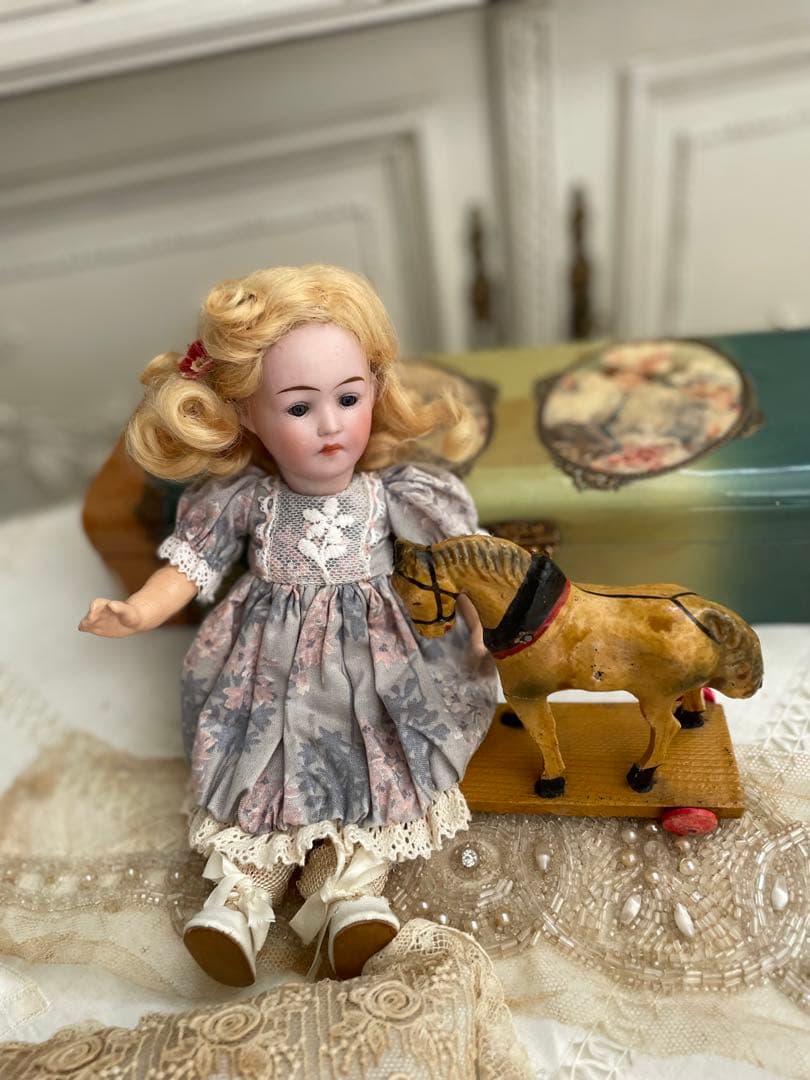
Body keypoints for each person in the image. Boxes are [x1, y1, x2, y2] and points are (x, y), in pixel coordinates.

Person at [80, 264, 498, 986]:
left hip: (375, 666)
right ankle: (241, 898)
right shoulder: (242, 498)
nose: (332, 425)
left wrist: (485, 621)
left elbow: (460, 562)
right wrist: (139, 609)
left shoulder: (396, 493)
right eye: (300, 407)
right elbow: (192, 565)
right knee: (259, 774)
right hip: (266, 670)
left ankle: (348, 894)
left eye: (349, 397)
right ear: (246, 413)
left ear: (375, 388)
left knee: (374, 771)